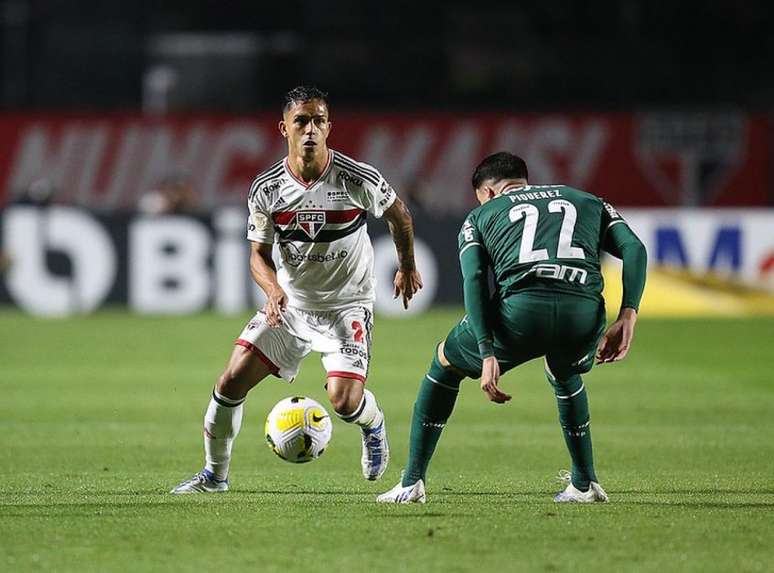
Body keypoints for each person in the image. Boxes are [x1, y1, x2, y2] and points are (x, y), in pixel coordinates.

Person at [172, 86, 423, 493]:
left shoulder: (356, 178)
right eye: (301, 121)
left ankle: (372, 423)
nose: (310, 130)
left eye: (319, 121)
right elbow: (258, 255)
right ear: (283, 128)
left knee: (344, 403)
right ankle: (214, 476)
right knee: (230, 380)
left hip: (347, 306)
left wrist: (407, 265)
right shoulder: (267, 188)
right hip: (290, 307)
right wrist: (272, 290)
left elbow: (400, 215)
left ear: (329, 127)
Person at [377, 152, 647, 504]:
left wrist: (487, 352)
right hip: (583, 313)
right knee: (563, 369)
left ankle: (412, 482)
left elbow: (474, 279)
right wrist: (628, 314)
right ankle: (584, 482)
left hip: (522, 313)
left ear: (487, 192)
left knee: (444, 363)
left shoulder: (480, 215)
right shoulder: (585, 200)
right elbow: (634, 248)